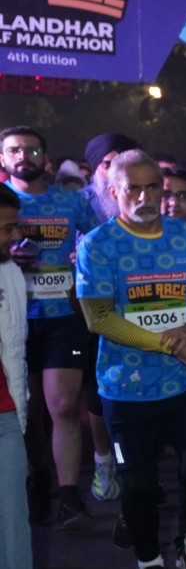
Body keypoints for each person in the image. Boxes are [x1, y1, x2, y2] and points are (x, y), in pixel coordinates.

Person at [74, 150, 186, 569]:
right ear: (114, 192)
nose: (145, 197)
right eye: (134, 188)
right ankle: (149, 566)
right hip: (126, 389)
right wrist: (171, 344)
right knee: (139, 484)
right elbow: (99, 318)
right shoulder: (97, 245)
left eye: (153, 187)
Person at [5, 126, 103, 528]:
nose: (23, 156)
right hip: (11, 317)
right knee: (24, 410)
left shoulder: (70, 201)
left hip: (63, 316)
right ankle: (37, 477)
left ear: (45, 158)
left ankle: (69, 496)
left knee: (62, 405)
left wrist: (84, 255)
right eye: (14, 150)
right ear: (2, 158)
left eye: (31, 150)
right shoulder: (2, 201)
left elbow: (101, 239)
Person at [0, 183, 43, 569]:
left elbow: (15, 349)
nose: (15, 237)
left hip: (4, 414)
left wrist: (20, 410)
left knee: (13, 524)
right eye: (7, 228)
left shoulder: (10, 273)